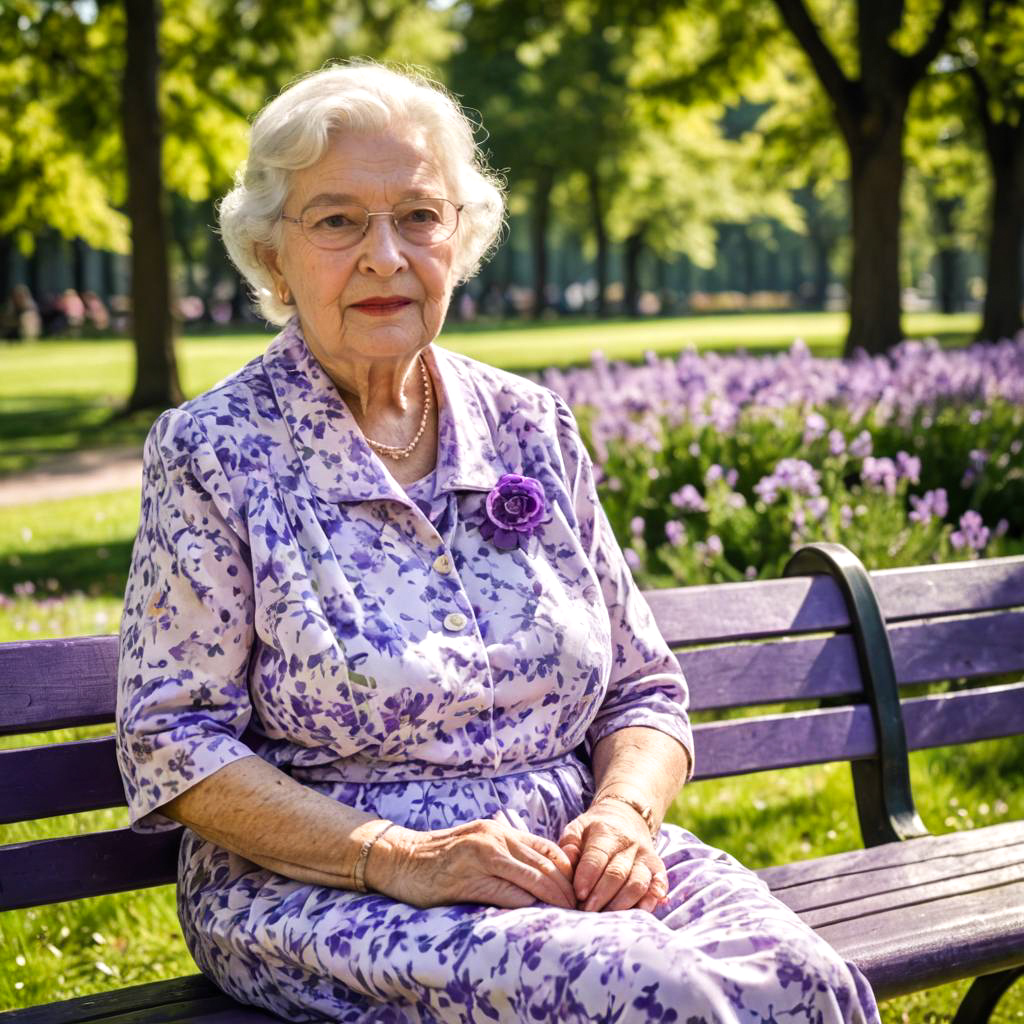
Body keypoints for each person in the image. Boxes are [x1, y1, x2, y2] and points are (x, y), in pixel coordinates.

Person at [116, 62, 880, 1024]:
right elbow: (170, 739)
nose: (386, 256)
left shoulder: (530, 425)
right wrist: (402, 858)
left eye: (419, 217)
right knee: (666, 999)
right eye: (338, 220)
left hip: (572, 848)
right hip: (329, 885)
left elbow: (644, 690)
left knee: (806, 983)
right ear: (274, 257)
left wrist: (623, 818)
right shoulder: (215, 451)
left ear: (461, 239)